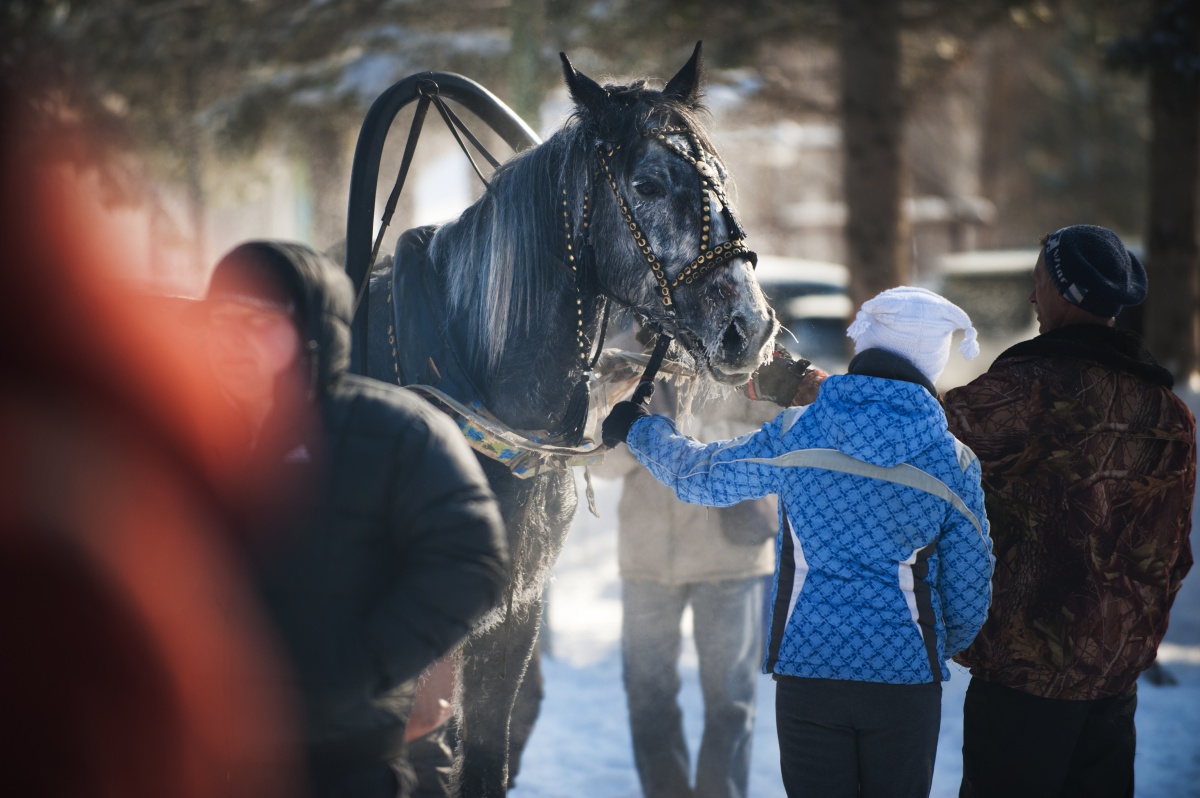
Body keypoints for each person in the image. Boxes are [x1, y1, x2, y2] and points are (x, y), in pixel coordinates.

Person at [603, 286, 995, 798]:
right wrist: (928, 640)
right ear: (932, 362)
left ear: (863, 347)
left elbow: (701, 476)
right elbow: (970, 593)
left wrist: (639, 430)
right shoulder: (955, 461)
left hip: (811, 674)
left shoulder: (801, 432)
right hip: (905, 683)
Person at [196, 241, 510, 797]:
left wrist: (363, 667)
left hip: (345, 764)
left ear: (311, 329)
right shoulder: (178, 430)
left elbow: (473, 562)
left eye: (258, 320)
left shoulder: (396, 432)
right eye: (220, 320)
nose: (231, 339)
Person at [943, 224, 1196, 798]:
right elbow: (1172, 554)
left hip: (1023, 681)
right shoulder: (1169, 415)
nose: (1032, 298)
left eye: (1038, 283)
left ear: (1062, 293)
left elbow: (917, 434)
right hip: (1112, 685)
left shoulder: (1028, 393)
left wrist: (811, 387)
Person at [596, 373, 778, 798]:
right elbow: (596, 460)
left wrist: (698, 443)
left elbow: (782, 436)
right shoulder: (622, 356)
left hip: (731, 558)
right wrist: (634, 436)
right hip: (648, 559)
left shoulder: (738, 342)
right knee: (647, 697)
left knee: (731, 703)